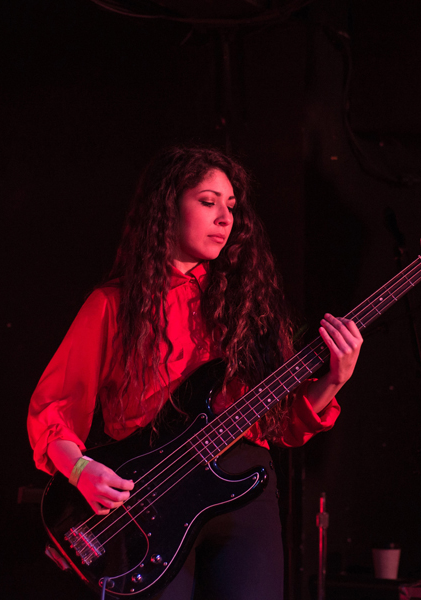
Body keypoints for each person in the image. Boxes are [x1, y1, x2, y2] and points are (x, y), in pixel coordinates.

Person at [27, 145, 363, 600]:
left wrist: (334, 379)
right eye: (208, 202)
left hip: (244, 495)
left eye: (231, 206)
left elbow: (280, 424)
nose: (225, 218)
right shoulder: (112, 305)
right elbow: (55, 407)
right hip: (148, 499)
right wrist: (82, 469)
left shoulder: (249, 308)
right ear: (167, 207)